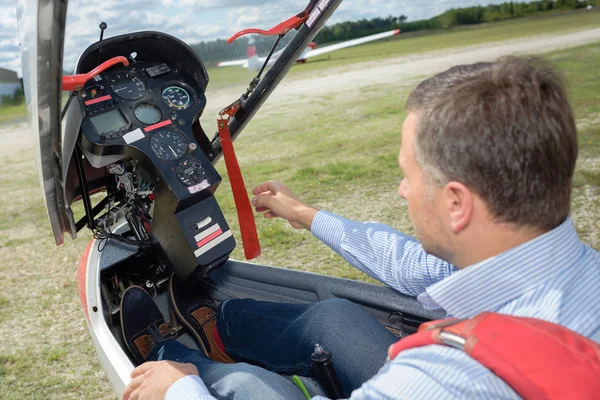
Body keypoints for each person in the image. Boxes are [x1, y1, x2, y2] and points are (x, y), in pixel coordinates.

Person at [120, 55, 600, 400]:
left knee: (252, 388)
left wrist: (181, 390)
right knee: (335, 319)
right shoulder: (570, 271)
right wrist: (305, 215)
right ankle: (216, 331)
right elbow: (417, 266)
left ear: (457, 203)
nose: (402, 190)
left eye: (408, 175)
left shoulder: (436, 381)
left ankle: (169, 356)